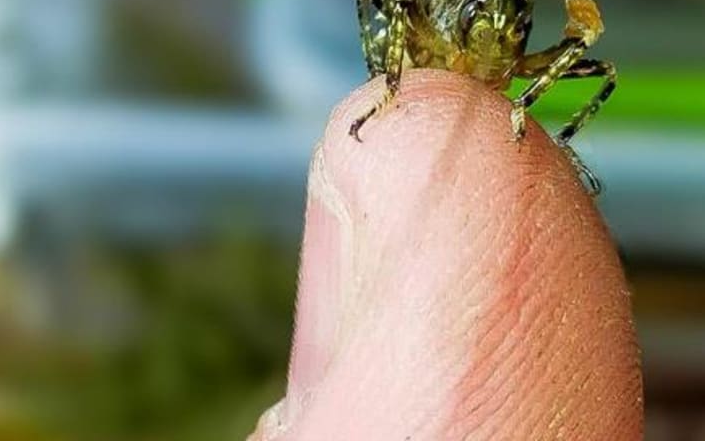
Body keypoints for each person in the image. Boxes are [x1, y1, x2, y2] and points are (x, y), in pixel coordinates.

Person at [249, 70, 643, 440]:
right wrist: (387, 85)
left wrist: (526, 107)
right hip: (418, 98)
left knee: (602, 69)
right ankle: (385, 85)